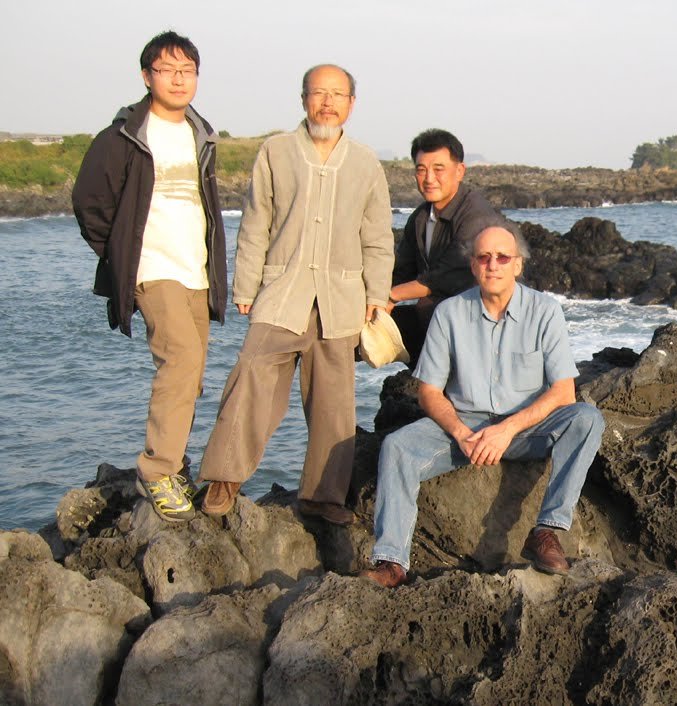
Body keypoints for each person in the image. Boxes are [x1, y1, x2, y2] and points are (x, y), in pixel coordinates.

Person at [196, 64, 393, 525]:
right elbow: (255, 222)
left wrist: (377, 293)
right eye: (318, 93)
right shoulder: (276, 151)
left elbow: (378, 235)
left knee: (333, 402)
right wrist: (245, 286)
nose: (327, 102)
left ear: (351, 104)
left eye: (337, 94)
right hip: (281, 292)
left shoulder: (365, 163)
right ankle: (225, 477)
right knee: (251, 376)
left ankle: (323, 496)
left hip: (340, 300)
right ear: (303, 99)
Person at [363, 224, 604, 587]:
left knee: (587, 418)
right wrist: (461, 432)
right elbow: (429, 391)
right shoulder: (449, 313)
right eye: (484, 257)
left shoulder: (545, 311)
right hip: (467, 428)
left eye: (503, 257)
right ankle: (392, 563)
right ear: (473, 266)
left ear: (517, 265)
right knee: (397, 446)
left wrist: (507, 430)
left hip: (526, 431)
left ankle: (546, 532)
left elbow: (563, 393)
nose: (493, 265)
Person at [72, 30, 227, 522]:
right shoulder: (122, 137)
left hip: (195, 270)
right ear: (147, 76)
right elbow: (88, 202)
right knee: (179, 360)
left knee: (192, 373)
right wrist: (121, 256)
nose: (178, 79)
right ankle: (158, 471)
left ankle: (175, 462)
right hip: (152, 268)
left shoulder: (200, 133)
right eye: (168, 70)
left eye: (187, 71)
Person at [388, 129, 504, 365]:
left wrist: (390, 296)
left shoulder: (475, 214)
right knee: (351, 330)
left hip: (483, 325)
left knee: (428, 308)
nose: (429, 178)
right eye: (421, 169)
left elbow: (445, 276)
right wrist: (371, 301)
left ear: (459, 171)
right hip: (439, 318)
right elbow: (401, 271)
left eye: (438, 169)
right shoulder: (420, 217)